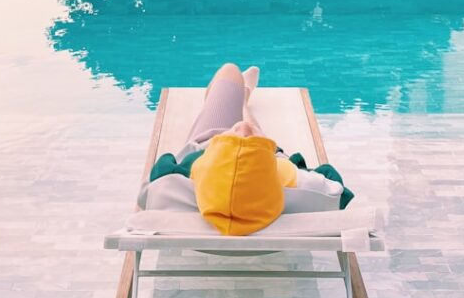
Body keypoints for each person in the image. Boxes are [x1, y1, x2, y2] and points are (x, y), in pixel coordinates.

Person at [139, 63, 354, 236]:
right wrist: (286, 168)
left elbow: (160, 170)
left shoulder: (191, 171)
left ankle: (241, 98)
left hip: (216, 142)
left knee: (229, 71)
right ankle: (243, 102)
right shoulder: (293, 180)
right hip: (265, 158)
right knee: (250, 125)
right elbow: (335, 185)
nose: (240, 131)